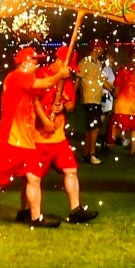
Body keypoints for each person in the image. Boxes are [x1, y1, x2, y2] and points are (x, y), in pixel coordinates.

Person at [0, 45, 71, 227]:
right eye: (34, 62)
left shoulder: (26, 79)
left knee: (34, 178)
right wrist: (59, 76)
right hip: (11, 139)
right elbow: (43, 84)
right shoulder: (15, 77)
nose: (36, 65)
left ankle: (36, 217)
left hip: (26, 140)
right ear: (25, 63)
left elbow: (42, 90)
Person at [25, 46, 98, 224]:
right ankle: (29, 213)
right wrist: (45, 120)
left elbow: (72, 102)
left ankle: (75, 210)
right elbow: (33, 101)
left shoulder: (67, 80)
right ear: (59, 61)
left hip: (59, 137)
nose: (71, 70)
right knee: (33, 178)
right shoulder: (41, 75)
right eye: (69, 65)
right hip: (39, 137)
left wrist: (63, 107)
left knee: (71, 170)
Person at [77, 42, 110, 164]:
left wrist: (112, 89)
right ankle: (92, 154)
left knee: (91, 127)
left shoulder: (99, 63)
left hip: (96, 99)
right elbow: (78, 78)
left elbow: (101, 80)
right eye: (99, 48)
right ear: (95, 48)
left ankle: (86, 154)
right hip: (89, 99)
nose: (101, 50)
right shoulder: (84, 62)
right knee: (95, 126)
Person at [112, 51, 135, 154]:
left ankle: (132, 150)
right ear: (129, 59)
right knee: (119, 127)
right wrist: (114, 103)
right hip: (122, 104)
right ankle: (111, 142)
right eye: (134, 58)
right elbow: (117, 88)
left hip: (134, 105)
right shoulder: (123, 71)